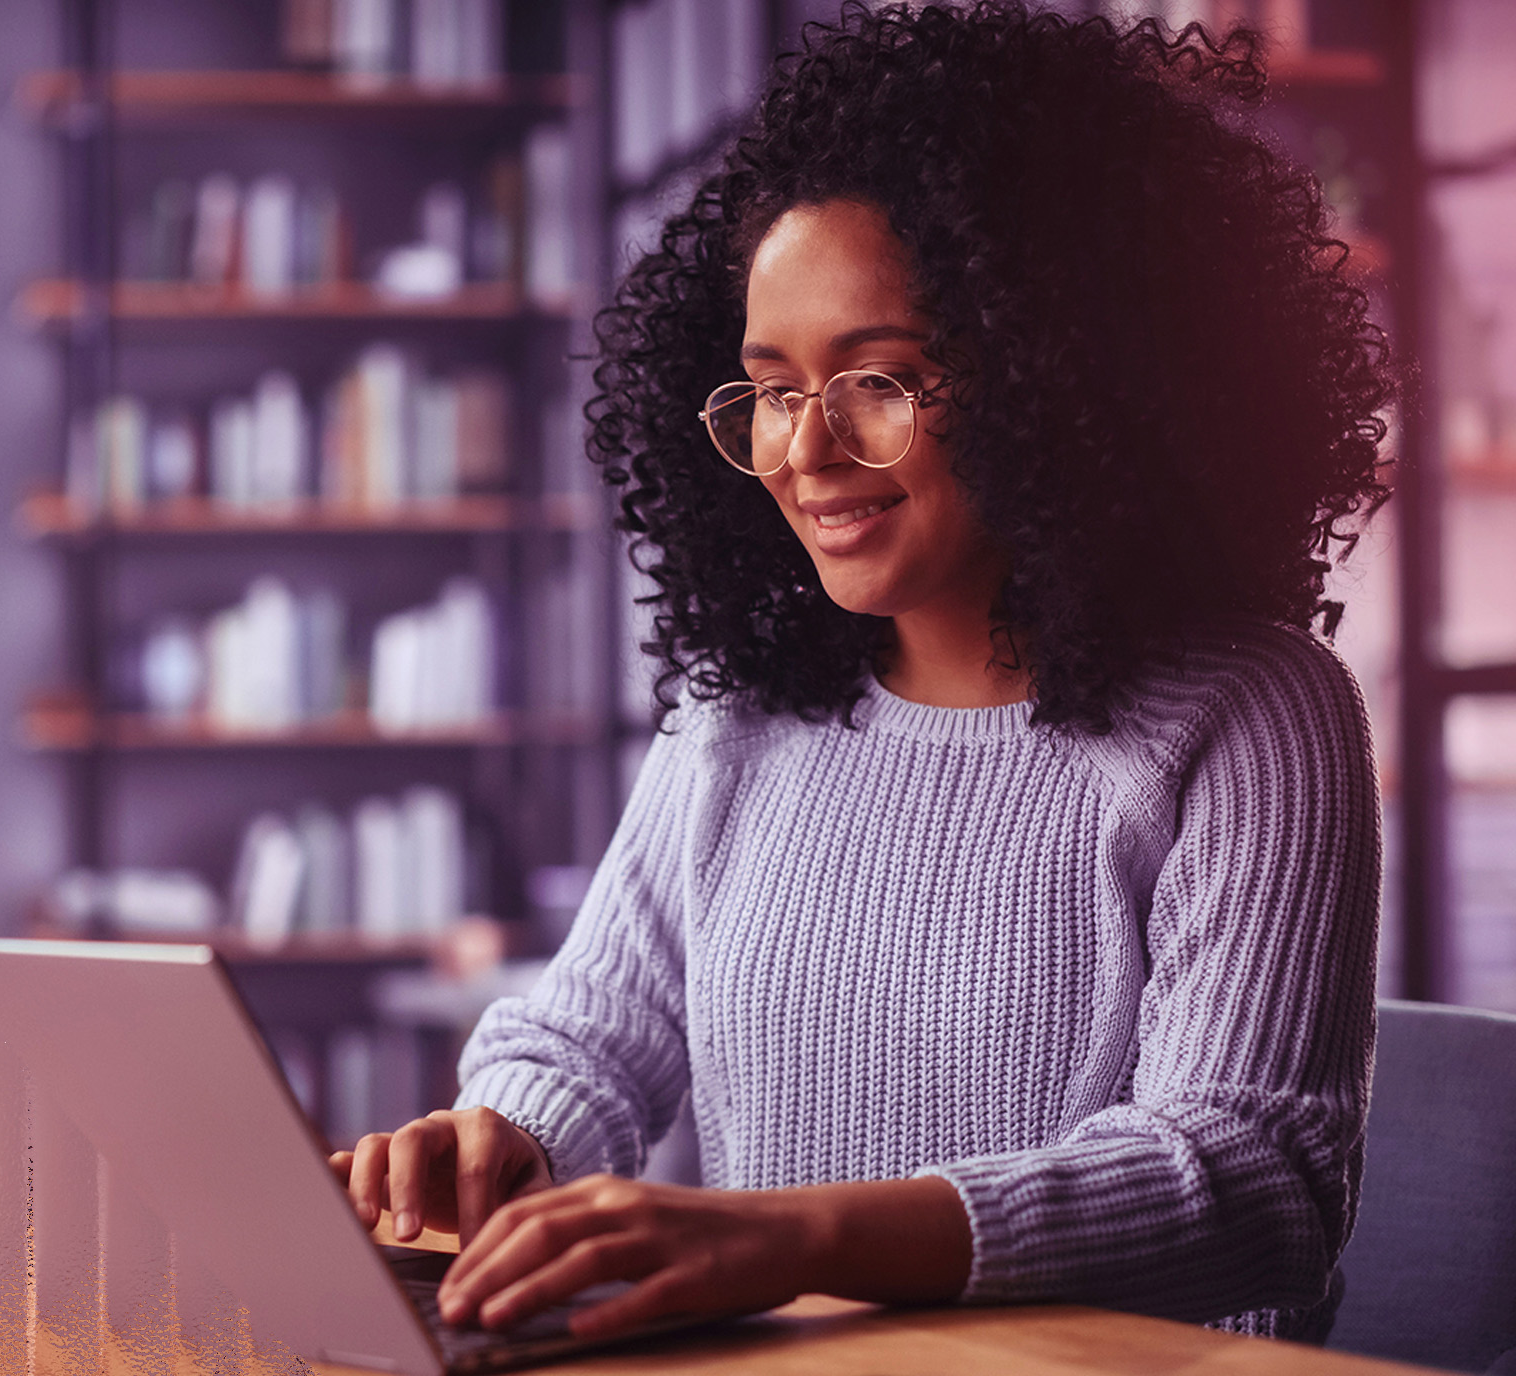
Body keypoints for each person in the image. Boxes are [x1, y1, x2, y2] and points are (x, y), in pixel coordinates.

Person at [330, 0, 1391, 1345]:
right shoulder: (740, 719)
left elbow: (1251, 1180)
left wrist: (788, 1240)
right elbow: (587, 1041)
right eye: (773, 387)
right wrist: (504, 1150)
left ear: (1062, 376)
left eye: (878, 378)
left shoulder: (1250, 714)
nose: (804, 451)